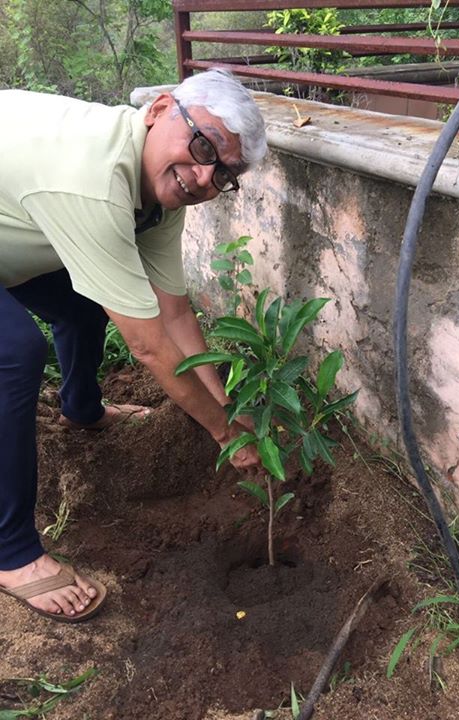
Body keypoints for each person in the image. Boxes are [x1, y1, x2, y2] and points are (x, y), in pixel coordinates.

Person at [0, 69, 267, 623]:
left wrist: (229, 411)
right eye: (202, 146)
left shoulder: (161, 194)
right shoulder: (91, 179)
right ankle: (13, 553)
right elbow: (147, 345)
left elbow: (174, 312)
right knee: (14, 352)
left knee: (80, 304)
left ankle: (81, 409)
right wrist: (225, 436)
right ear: (160, 109)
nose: (202, 176)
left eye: (224, 173)